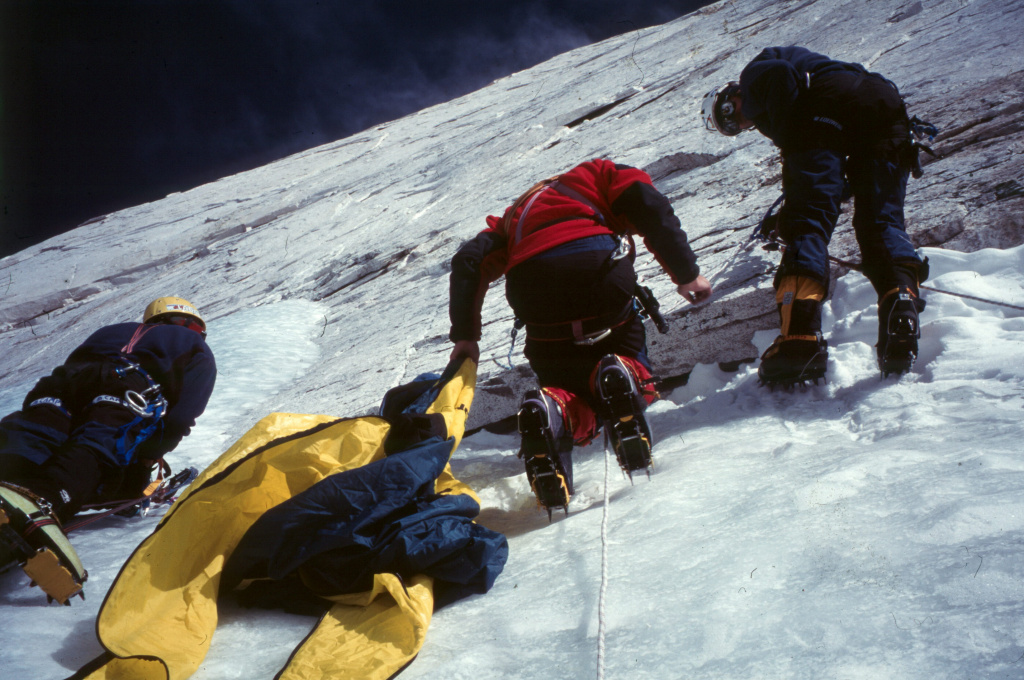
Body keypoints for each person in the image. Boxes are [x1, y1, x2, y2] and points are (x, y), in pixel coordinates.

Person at [448, 159, 711, 513]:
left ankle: (554, 410)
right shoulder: (599, 174)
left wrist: (466, 336)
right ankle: (624, 373)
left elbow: (469, 260)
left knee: (563, 385)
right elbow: (647, 203)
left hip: (535, 296)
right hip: (598, 273)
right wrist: (686, 274)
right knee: (628, 347)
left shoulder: (515, 215)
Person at [701, 46, 928, 384]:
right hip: (883, 104)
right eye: (731, 126)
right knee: (881, 221)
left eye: (728, 112)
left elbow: (780, 74)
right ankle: (900, 308)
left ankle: (799, 341)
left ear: (731, 91)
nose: (740, 119)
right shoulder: (803, 80)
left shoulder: (754, 75)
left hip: (827, 102)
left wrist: (793, 147)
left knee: (807, 225)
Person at [0, 297, 217, 524]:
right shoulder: (196, 346)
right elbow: (180, 418)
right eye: (194, 327)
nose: (193, 332)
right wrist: (146, 460)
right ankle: (44, 502)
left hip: (61, 383)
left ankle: (10, 481)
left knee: (33, 435)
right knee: (97, 445)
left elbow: (73, 365)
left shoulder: (111, 330)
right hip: (128, 387)